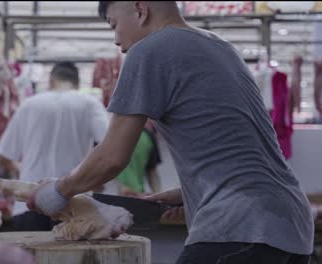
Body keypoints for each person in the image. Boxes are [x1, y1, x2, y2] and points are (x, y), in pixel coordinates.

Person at [27, 2, 314, 263]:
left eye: (114, 25)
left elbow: (111, 157)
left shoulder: (149, 50)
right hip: (292, 226)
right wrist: (189, 192)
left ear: (140, 9)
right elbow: (246, 148)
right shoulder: (222, 48)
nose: (116, 40)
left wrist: (56, 192)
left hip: (240, 226)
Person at [0, 61, 109, 231]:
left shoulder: (30, 104)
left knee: (29, 257)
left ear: (50, 81)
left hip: (30, 203)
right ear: (77, 83)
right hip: (75, 205)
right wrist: (95, 180)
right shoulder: (90, 104)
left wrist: (24, 170)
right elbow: (108, 147)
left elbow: (3, 157)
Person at [116, 119, 161, 197]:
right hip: (137, 197)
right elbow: (153, 174)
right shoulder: (148, 135)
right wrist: (159, 198)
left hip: (119, 199)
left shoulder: (105, 135)